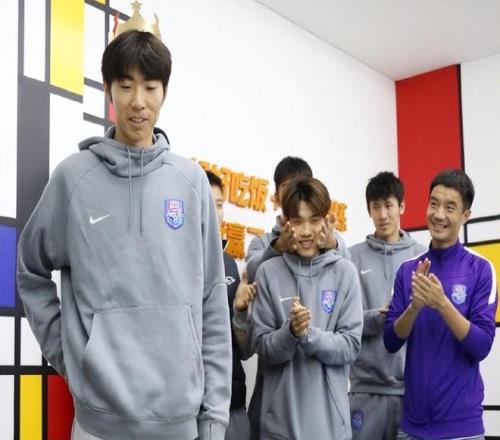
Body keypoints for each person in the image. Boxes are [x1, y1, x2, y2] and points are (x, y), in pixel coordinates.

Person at [17, 30, 231, 440]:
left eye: (150, 86)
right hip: (98, 425)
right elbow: (31, 270)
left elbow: (212, 302)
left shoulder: (191, 183)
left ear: (164, 92)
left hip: (180, 424)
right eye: (126, 85)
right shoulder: (73, 178)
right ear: (108, 89)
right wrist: (71, 356)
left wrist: (214, 419)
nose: (138, 101)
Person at [384, 169, 497, 440]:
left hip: (461, 428)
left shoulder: (480, 269)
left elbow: (481, 346)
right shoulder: (408, 270)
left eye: (449, 207)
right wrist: (414, 307)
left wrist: (442, 304)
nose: (438, 214)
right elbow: (390, 341)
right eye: (433, 204)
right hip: (411, 427)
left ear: (465, 215)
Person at [244, 156, 349, 438]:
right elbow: (262, 343)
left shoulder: (341, 265)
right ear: (280, 202)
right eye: (298, 220)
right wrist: (277, 246)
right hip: (278, 417)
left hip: (329, 424)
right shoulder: (267, 260)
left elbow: (351, 344)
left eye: (314, 220)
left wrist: (332, 243)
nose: (305, 230)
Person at [348, 172, 426, 439]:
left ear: (401, 206)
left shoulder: (421, 256)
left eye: (388, 205)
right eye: (376, 207)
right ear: (369, 210)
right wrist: (376, 318)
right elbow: (341, 323)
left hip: (411, 389)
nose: (382, 214)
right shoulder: (352, 258)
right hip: (365, 388)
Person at [206, 170, 256, 440]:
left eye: (219, 204)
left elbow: (245, 350)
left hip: (232, 405)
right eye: (207, 203)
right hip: (192, 408)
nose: (215, 212)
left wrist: (240, 312)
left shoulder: (230, 266)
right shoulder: (174, 262)